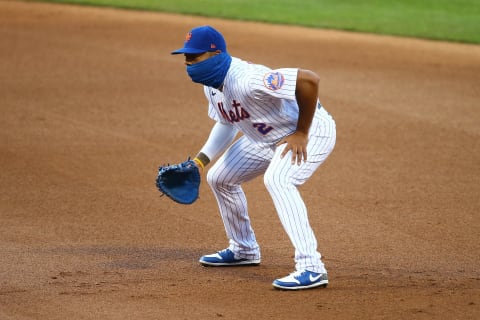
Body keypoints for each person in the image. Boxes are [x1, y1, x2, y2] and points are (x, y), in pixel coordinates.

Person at [171, 25, 336, 290]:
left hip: (311, 131)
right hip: (267, 137)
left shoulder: (248, 78)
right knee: (220, 178)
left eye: (194, 57)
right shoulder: (212, 87)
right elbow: (227, 123)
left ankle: (312, 267)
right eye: (186, 58)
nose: (189, 64)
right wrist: (200, 161)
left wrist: (302, 132)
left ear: (215, 54)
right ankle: (244, 249)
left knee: (278, 179)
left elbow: (308, 80)